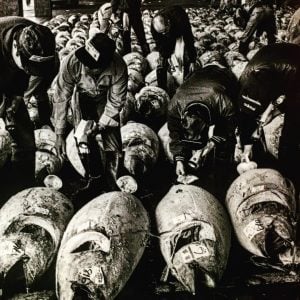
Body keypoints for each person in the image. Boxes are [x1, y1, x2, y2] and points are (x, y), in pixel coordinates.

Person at [52, 33, 128, 191]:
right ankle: (94, 177)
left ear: (102, 66)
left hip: (105, 98)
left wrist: (100, 126)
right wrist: (59, 133)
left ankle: (113, 179)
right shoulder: (71, 62)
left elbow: (116, 101)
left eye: (90, 64)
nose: (84, 65)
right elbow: (61, 97)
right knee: (83, 137)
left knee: (112, 137)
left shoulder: (119, 66)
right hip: (82, 96)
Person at [167, 53, 239, 198]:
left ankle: (222, 185)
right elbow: (175, 134)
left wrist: (210, 145)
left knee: (225, 146)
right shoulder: (174, 106)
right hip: (197, 77)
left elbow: (227, 129)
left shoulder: (224, 103)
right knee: (189, 152)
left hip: (223, 77)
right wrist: (179, 160)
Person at [0, 16, 57, 193]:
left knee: (25, 140)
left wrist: (17, 97)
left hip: (13, 83)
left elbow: (35, 79)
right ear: (16, 49)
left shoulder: (38, 35)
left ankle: (23, 188)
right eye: (28, 68)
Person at [237, 43, 300, 188]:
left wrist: (246, 148)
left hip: (294, 72)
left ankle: (289, 177)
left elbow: (246, 119)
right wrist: (274, 112)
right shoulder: (253, 82)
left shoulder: (251, 90)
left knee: (291, 131)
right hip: (288, 66)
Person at [151, 5, 197, 89]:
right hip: (167, 36)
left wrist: (192, 60)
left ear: (168, 23)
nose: (163, 34)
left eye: (165, 31)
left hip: (178, 31)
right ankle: (162, 88)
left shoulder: (181, 19)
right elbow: (160, 43)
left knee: (185, 58)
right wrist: (166, 55)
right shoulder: (154, 27)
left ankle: (185, 86)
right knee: (162, 62)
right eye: (161, 32)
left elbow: (189, 39)